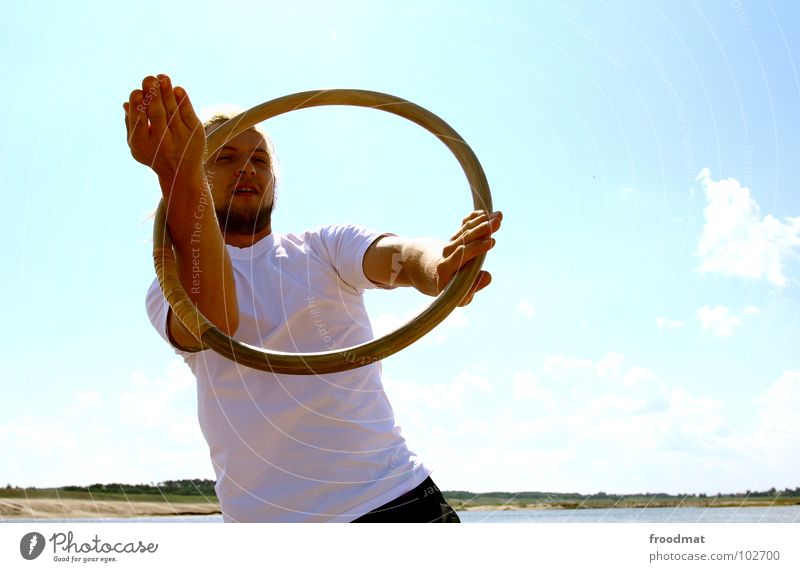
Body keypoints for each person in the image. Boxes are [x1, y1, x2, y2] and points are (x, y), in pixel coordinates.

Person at [124, 74, 502, 522]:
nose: (248, 168)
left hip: (394, 501)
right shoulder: (170, 286)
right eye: (225, 157)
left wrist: (439, 267)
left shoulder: (323, 248)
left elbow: (401, 254)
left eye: (260, 159)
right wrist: (176, 174)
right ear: (195, 177)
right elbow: (215, 319)